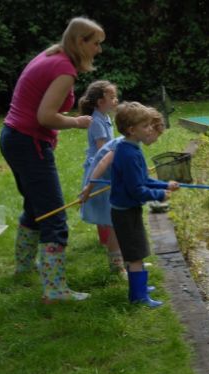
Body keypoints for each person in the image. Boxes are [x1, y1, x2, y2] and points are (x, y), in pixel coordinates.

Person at [0, 17, 105, 303]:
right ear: (80, 41)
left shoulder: (51, 54)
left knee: (36, 207)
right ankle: (55, 290)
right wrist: (78, 122)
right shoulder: (64, 69)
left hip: (14, 137)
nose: (98, 49)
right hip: (27, 142)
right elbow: (45, 116)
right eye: (95, 43)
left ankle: (23, 267)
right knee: (54, 216)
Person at [80, 107, 166, 277]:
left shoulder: (132, 145)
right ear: (135, 130)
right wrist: (89, 187)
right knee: (115, 226)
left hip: (116, 183)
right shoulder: (121, 145)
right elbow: (103, 162)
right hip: (102, 183)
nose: (154, 139)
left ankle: (132, 261)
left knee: (120, 227)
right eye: (151, 133)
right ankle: (117, 265)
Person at [109, 102, 179, 307]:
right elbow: (137, 190)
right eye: (146, 126)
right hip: (125, 213)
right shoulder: (129, 154)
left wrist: (164, 184)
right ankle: (138, 297)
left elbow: (142, 180)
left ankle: (139, 287)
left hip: (127, 210)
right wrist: (160, 194)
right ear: (132, 130)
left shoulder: (129, 147)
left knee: (136, 252)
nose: (150, 129)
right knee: (136, 255)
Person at [78, 80, 118, 250]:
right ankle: (107, 239)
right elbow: (103, 149)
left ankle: (107, 238)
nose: (116, 100)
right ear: (101, 102)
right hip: (100, 167)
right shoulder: (96, 121)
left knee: (105, 201)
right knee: (103, 202)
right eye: (112, 97)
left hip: (106, 163)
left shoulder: (105, 117)